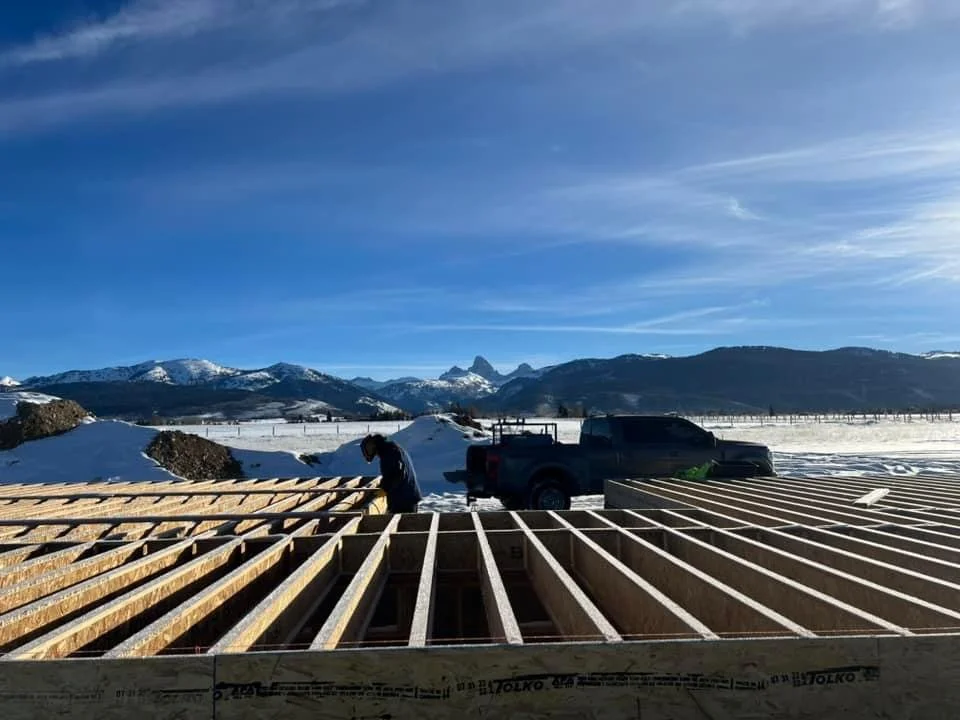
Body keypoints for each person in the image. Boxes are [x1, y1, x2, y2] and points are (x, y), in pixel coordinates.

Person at [360, 433, 423, 513]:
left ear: (372, 445)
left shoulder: (389, 452)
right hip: (406, 496)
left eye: (368, 450)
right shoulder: (390, 448)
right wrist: (383, 485)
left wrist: (385, 489)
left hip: (403, 500)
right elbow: (391, 473)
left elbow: (397, 474)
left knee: (404, 521)